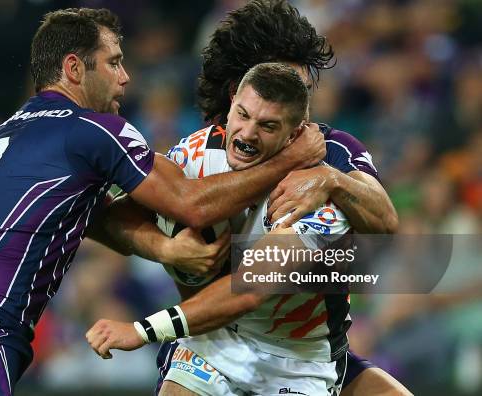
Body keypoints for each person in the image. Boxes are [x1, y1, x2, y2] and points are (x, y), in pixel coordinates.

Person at [0, 8, 326, 396]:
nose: (126, 77)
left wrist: (163, 247)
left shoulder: (7, 131)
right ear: (73, 68)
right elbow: (192, 205)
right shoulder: (95, 128)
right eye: (113, 62)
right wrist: (292, 157)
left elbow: (90, 215)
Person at [86, 1, 409, 395]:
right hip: (209, 343)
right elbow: (103, 217)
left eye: (300, 86)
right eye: (275, 81)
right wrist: (164, 249)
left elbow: (384, 220)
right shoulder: (194, 156)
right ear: (238, 89)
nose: (294, 92)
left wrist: (332, 180)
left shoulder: (331, 157)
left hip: (307, 353)